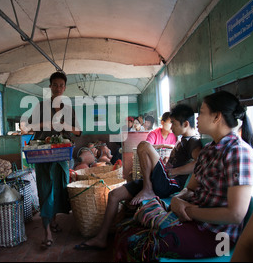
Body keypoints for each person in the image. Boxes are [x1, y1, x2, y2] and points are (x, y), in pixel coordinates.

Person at [114, 90, 253, 261]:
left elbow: (235, 215)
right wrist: (179, 199)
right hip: (195, 220)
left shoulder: (239, 153)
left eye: (202, 112)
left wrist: (188, 210)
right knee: (127, 230)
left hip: (217, 236)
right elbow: (190, 188)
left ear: (217, 117)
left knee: (135, 243)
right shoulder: (209, 151)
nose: (196, 118)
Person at [75, 104, 202, 250]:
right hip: (161, 180)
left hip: (169, 184)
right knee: (114, 195)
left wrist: (176, 171)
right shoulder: (182, 139)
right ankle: (101, 238)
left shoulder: (193, 141)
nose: (171, 127)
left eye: (173, 123)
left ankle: (147, 188)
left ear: (186, 124)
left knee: (143, 145)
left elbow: (199, 163)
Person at [28, 72, 81, 248]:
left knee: (58, 191)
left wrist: (64, 126)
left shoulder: (68, 109)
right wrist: (46, 125)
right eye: (55, 85)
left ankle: (53, 221)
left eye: (61, 85)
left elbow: (78, 132)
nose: (58, 88)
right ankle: (47, 233)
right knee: (45, 192)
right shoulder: (41, 107)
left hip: (61, 156)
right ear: (50, 86)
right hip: (43, 156)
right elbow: (27, 126)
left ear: (65, 88)